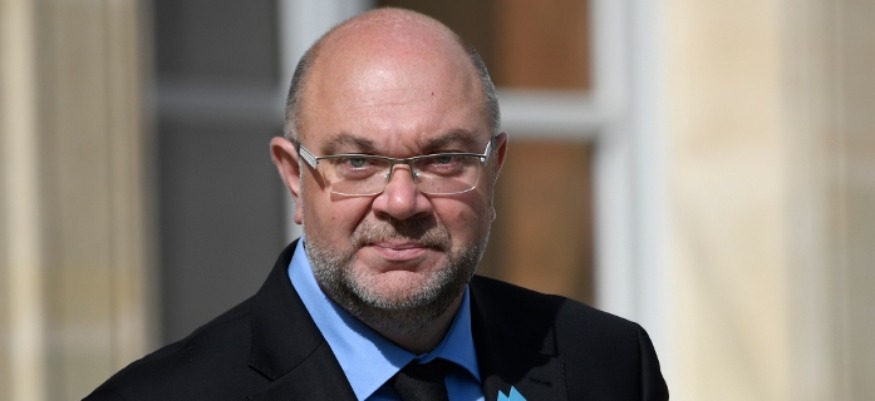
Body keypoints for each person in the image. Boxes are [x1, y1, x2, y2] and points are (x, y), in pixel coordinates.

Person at [85, 8, 668, 401]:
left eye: (443, 158)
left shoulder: (607, 364)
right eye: (358, 162)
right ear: (294, 177)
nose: (401, 201)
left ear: (494, 169)